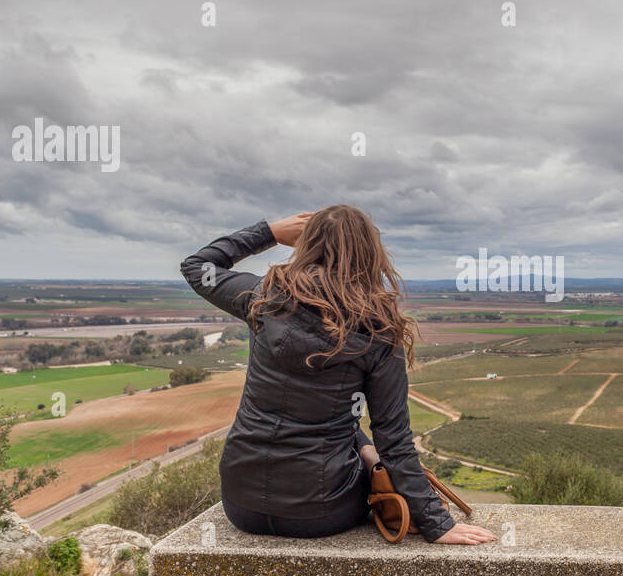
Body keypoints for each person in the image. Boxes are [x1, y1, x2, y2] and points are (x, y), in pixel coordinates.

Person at [180, 206, 497, 545]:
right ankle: (366, 457)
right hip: (321, 512)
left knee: (349, 429)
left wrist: (269, 232)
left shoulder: (262, 297)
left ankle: (363, 452)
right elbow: (394, 438)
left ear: (307, 246)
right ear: (370, 254)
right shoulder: (378, 328)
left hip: (242, 504)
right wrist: (437, 523)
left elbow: (197, 267)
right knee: (357, 434)